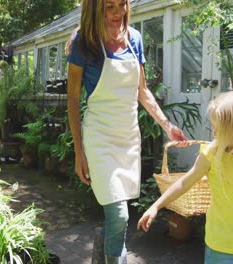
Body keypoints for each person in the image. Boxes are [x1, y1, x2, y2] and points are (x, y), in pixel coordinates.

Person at [65, 0, 187, 262]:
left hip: (128, 137)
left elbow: (142, 91)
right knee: (118, 214)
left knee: (119, 218)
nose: (117, 13)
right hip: (99, 137)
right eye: (109, 6)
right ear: (95, 8)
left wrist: (167, 125)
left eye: (121, 4)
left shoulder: (135, 39)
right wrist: (79, 152)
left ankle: (109, 253)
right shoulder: (82, 42)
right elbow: (73, 99)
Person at [137, 91, 233, 264]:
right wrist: (156, 206)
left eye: (220, 129)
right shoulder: (211, 154)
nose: (214, 133)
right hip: (221, 249)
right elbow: (184, 182)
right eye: (213, 127)